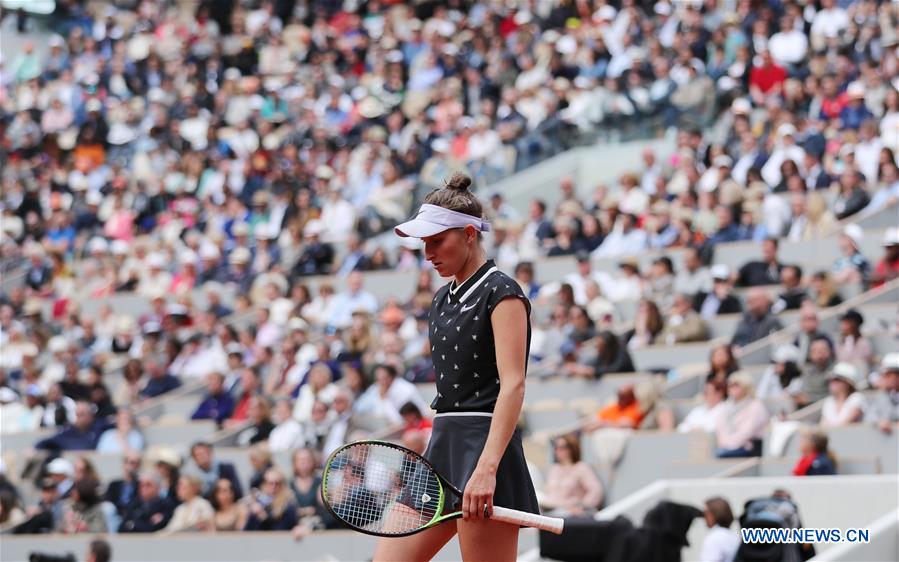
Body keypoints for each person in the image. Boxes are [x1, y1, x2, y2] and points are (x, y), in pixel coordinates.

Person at [375, 173, 539, 561]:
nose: (428, 252)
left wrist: (487, 468)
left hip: (484, 448)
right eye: (424, 244)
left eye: (437, 241)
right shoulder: (439, 298)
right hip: (442, 445)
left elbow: (513, 386)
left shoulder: (503, 292)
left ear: (468, 234)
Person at [539, 434, 604, 516]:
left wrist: (583, 507)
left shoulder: (581, 467)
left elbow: (596, 490)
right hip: (549, 510)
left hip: (569, 513)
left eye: (562, 447)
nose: (557, 451)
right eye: (556, 447)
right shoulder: (554, 469)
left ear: (572, 448)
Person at [715, 374, 769, 458]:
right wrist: (726, 444)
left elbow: (748, 431)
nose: (733, 389)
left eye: (737, 386)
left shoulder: (756, 406)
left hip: (748, 448)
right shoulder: (724, 407)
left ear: (746, 388)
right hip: (725, 447)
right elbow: (720, 428)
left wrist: (731, 445)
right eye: (731, 386)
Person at [243, 467, 299, 531]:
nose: (273, 487)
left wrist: (264, 518)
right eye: (270, 483)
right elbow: (246, 531)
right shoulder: (258, 503)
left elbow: (282, 531)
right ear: (264, 484)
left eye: (277, 483)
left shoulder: (289, 506)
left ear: (283, 485)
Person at [821, 362, 867, 427]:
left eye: (837, 379)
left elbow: (844, 425)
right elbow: (823, 426)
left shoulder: (857, 398)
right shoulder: (829, 401)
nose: (832, 382)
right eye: (831, 379)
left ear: (847, 383)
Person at [698, 497, 740, 562]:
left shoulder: (714, 538)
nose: (704, 517)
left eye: (706, 513)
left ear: (713, 514)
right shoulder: (735, 536)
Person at [866, 353, 899, 434]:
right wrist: (879, 421)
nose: (884, 378)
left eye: (888, 375)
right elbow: (870, 416)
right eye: (883, 375)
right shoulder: (883, 395)